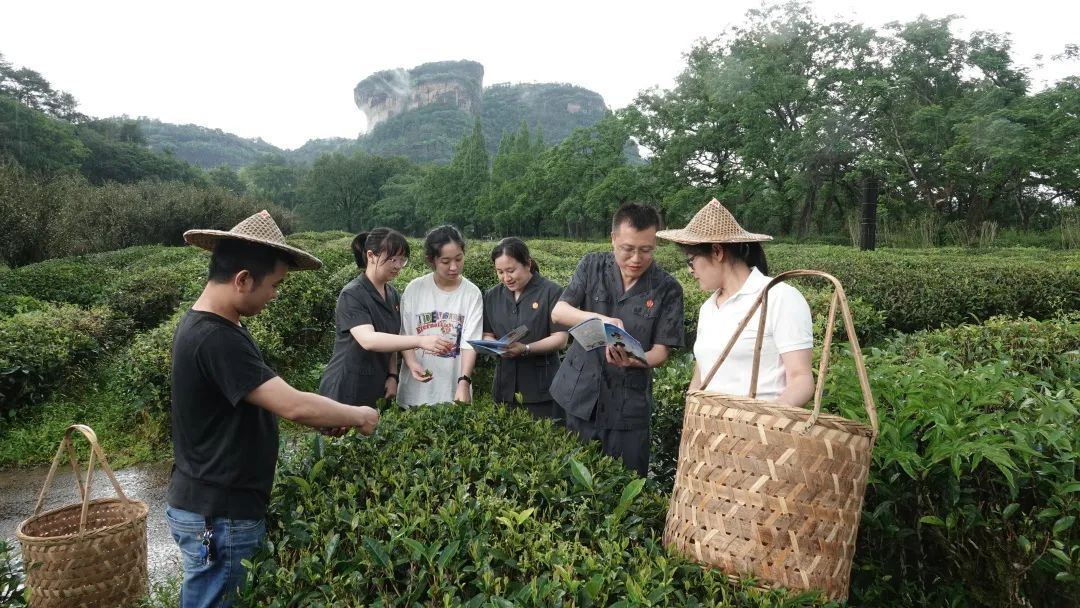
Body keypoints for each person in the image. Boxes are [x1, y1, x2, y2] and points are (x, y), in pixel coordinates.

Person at [166, 210, 380, 608]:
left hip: (215, 503)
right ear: (242, 279)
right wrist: (360, 415)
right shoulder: (216, 337)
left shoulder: (220, 326)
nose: (276, 294)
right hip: (220, 512)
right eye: (274, 285)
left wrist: (327, 417)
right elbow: (294, 405)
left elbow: (268, 399)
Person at [550, 203, 685, 476]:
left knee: (626, 486)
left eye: (646, 250)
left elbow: (661, 351)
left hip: (628, 407)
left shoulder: (667, 288)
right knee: (571, 486)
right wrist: (597, 320)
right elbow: (559, 311)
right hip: (579, 396)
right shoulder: (592, 265)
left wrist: (638, 360)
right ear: (613, 239)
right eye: (628, 249)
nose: (636, 258)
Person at [656, 198, 814, 406]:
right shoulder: (708, 308)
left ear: (717, 251)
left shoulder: (779, 297)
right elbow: (702, 374)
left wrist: (761, 422)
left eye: (691, 260)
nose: (689, 269)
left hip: (760, 432)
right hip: (711, 432)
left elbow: (801, 379)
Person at [319, 228, 453, 407]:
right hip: (347, 385)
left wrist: (392, 375)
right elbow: (369, 340)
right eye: (392, 259)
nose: (398, 265)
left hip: (377, 383)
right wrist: (420, 341)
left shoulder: (392, 294)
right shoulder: (352, 294)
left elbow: (394, 337)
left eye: (402, 259)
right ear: (371, 255)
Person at [482, 237, 569, 420]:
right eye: (500, 272)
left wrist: (526, 349)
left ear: (528, 264)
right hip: (504, 388)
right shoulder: (492, 296)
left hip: (542, 389)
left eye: (511, 270)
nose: (506, 278)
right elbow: (487, 334)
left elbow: (560, 339)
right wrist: (495, 346)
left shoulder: (551, 292)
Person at [397, 225, 483, 406]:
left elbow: (470, 342)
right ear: (431, 260)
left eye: (459, 259)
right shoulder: (414, 289)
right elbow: (405, 334)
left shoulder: (471, 293)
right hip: (415, 391)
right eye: (445, 261)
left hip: (454, 388)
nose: (454, 267)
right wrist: (412, 364)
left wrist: (464, 381)